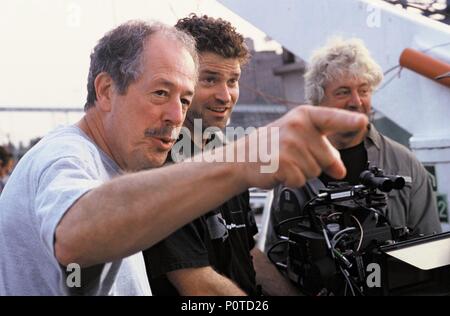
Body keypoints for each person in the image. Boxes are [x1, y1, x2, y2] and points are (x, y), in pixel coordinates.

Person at [0, 21, 368, 296]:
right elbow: (73, 236)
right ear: (107, 90)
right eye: (161, 93)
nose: (177, 117)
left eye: (185, 99)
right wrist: (239, 161)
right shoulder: (64, 155)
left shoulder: (123, 165)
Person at [144, 14, 299, 296]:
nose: (225, 95)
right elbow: (197, 285)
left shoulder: (226, 156)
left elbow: (248, 252)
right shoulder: (160, 170)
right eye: (210, 79)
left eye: (233, 80)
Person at [265, 37, 441, 258]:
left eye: (364, 90)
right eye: (343, 92)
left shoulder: (405, 164)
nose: (356, 102)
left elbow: (431, 252)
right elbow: (278, 254)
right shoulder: (293, 168)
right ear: (319, 101)